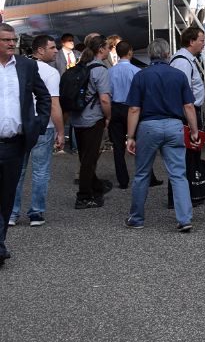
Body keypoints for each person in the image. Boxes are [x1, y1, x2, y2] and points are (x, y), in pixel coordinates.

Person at [123, 39, 199, 233]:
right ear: (168, 54)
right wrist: (194, 131)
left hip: (148, 126)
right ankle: (184, 219)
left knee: (142, 174)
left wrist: (130, 136)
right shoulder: (179, 75)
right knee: (178, 174)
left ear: (150, 54)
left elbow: (134, 109)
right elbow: (188, 106)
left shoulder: (141, 76)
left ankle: (137, 218)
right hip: (174, 126)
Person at [0, 23, 51, 266]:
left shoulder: (26, 66)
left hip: (14, 144)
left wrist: (38, 124)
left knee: (6, 198)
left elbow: (44, 96)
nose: (12, 44)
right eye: (6, 40)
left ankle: (0, 243)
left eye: (14, 39)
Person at [9, 34, 64, 228]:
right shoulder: (50, 73)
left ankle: (11, 213)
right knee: (41, 171)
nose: (56, 51)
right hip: (43, 127)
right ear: (40, 50)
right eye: (52, 48)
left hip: (22, 126)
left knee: (17, 171)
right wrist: (60, 131)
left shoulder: (17, 67)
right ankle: (36, 212)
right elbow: (53, 105)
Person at [108, 41, 163, 191]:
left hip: (115, 108)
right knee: (141, 144)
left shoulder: (110, 71)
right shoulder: (136, 71)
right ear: (130, 52)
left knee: (118, 147)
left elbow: (108, 92)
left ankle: (123, 180)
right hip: (132, 108)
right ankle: (149, 177)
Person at [68, 34, 113, 209]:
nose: (109, 50)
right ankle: (84, 196)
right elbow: (104, 99)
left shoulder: (82, 65)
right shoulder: (100, 69)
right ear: (101, 49)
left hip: (77, 117)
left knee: (84, 156)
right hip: (93, 118)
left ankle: (97, 186)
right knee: (89, 159)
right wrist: (108, 116)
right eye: (108, 47)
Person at [170, 26, 205, 128]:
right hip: (187, 113)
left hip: (189, 112)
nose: (203, 44)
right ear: (191, 42)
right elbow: (183, 93)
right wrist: (191, 123)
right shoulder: (182, 62)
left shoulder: (186, 59)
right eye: (201, 41)